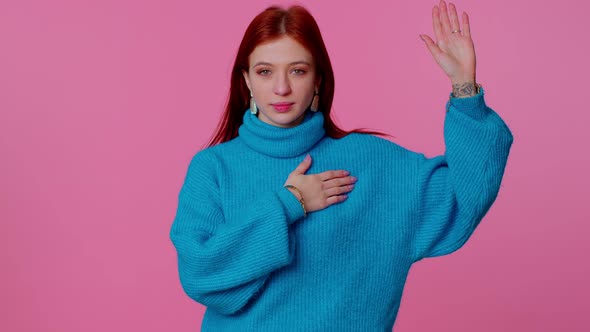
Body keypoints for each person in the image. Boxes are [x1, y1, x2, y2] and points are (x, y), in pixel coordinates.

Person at [169, 1, 513, 330]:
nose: (281, 87)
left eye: (298, 70)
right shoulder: (213, 168)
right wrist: (289, 203)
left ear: (318, 78)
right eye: (264, 71)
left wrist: (465, 89)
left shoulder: (374, 163)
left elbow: (464, 197)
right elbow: (201, 274)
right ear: (246, 81)